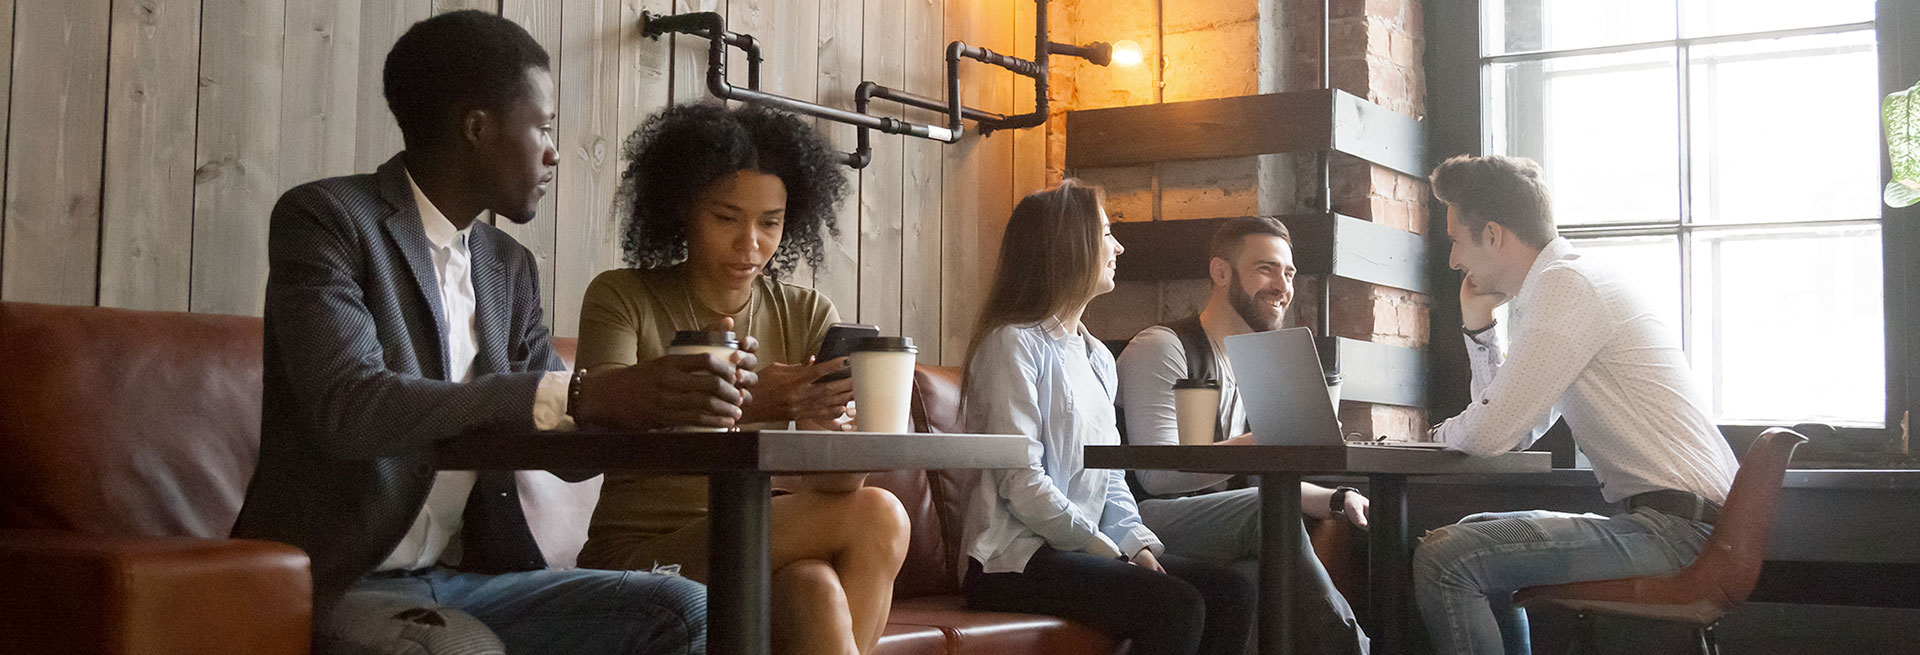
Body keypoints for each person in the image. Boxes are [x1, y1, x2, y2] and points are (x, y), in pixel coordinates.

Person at [232, 11, 740, 655]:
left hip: (471, 578)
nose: (555, 151)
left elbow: (561, 443)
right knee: (463, 650)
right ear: (476, 128)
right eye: (544, 127)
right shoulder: (328, 221)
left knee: (688, 610)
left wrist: (667, 399)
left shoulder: (508, 267)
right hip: (340, 580)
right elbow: (351, 406)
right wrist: (579, 396)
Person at [574, 102, 910, 655]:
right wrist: (755, 400)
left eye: (770, 223)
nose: (749, 243)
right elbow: (601, 418)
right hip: (641, 550)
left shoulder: (806, 313)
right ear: (683, 210)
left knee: (818, 589)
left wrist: (826, 425)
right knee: (880, 514)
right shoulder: (622, 297)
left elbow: (838, 488)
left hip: (764, 535)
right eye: (726, 218)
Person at [1413, 154, 1740, 654]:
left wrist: (1432, 437)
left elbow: (1490, 432)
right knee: (1471, 533)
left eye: (1457, 239)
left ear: (1494, 235)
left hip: (1679, 532)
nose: (1454, 260)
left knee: (1448, 559)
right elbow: (1514, 430)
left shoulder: (1565, 287)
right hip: (1680, 523)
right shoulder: (1565, 285)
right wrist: (1480, 328)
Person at [959, 179, 1255, 655]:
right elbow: (1021, 481)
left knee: (1231, 592)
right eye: (1106, 233)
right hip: (1012, 559)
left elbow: (1110, 474)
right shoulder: (1012, 344)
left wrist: (1135, 544)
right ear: (1069, 246)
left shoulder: (1097, 356)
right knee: (1177, 606)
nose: (1118, 246)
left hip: (1082, 547)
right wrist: (1100, 546)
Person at [1115, 216, 1371, 654]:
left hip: (1227, 517)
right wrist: (1270, 443)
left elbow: (1255, 477)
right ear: (1220, 273)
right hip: (1142, 518)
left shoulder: (1260, 365)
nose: (1282, 286)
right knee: (1262, 512)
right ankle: (1354, 645)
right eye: (1265, 269)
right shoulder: (1163, 347)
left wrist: (1333, 497)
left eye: (1288, 273)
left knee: (1257, 573)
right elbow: (1156, 475)